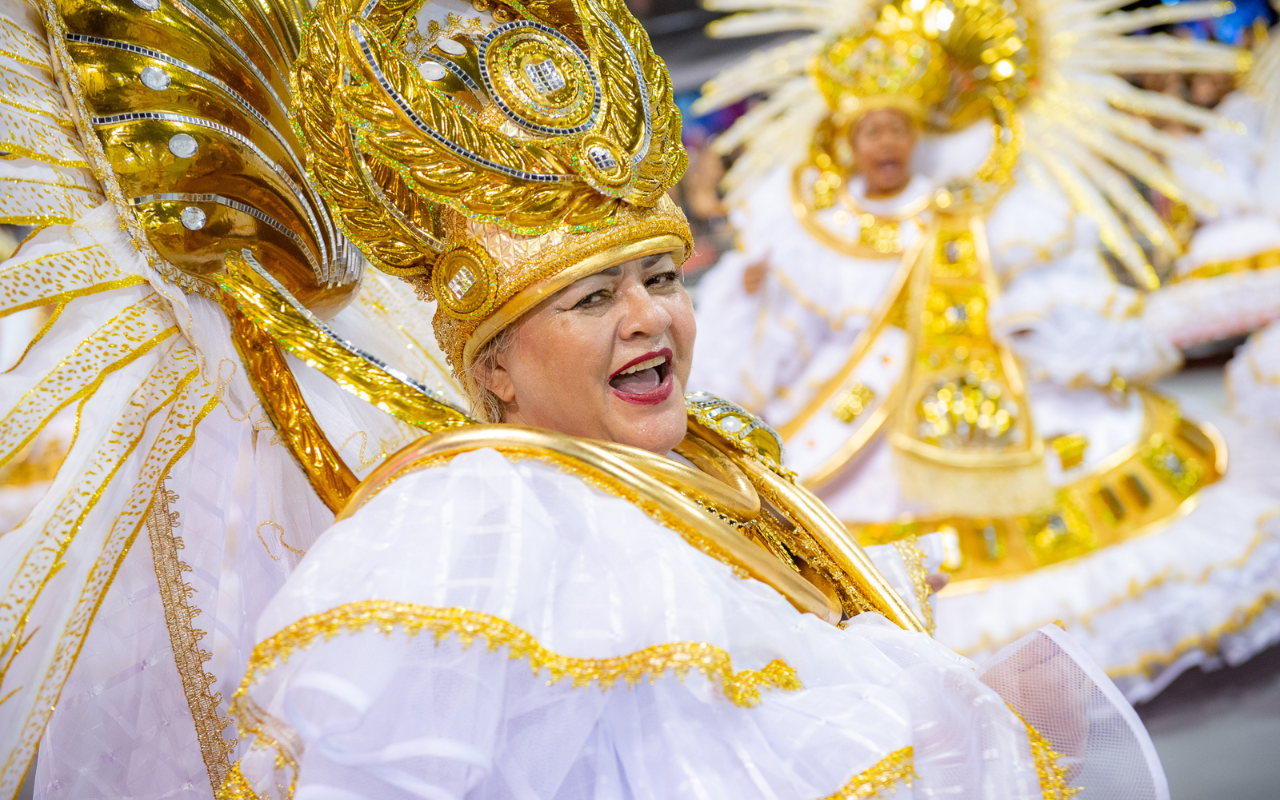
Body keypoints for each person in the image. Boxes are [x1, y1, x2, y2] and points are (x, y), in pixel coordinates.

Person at [195, 0, 1177, 797]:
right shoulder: (477, 515)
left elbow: (725, 731)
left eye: (660, 280)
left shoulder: (686, 461)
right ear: (493, 367)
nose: (648, 318)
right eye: (591, 297)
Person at [690, 0, 1280, 701]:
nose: (884, 144)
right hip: (858, 425)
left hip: (1010, 404)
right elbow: (785, 330)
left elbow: (1044, 283)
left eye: (897, 128)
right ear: (847, 136)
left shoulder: (984, 203)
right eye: (870, 128)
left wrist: (1063, 326)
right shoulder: (814, 225)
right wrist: (756, 293)